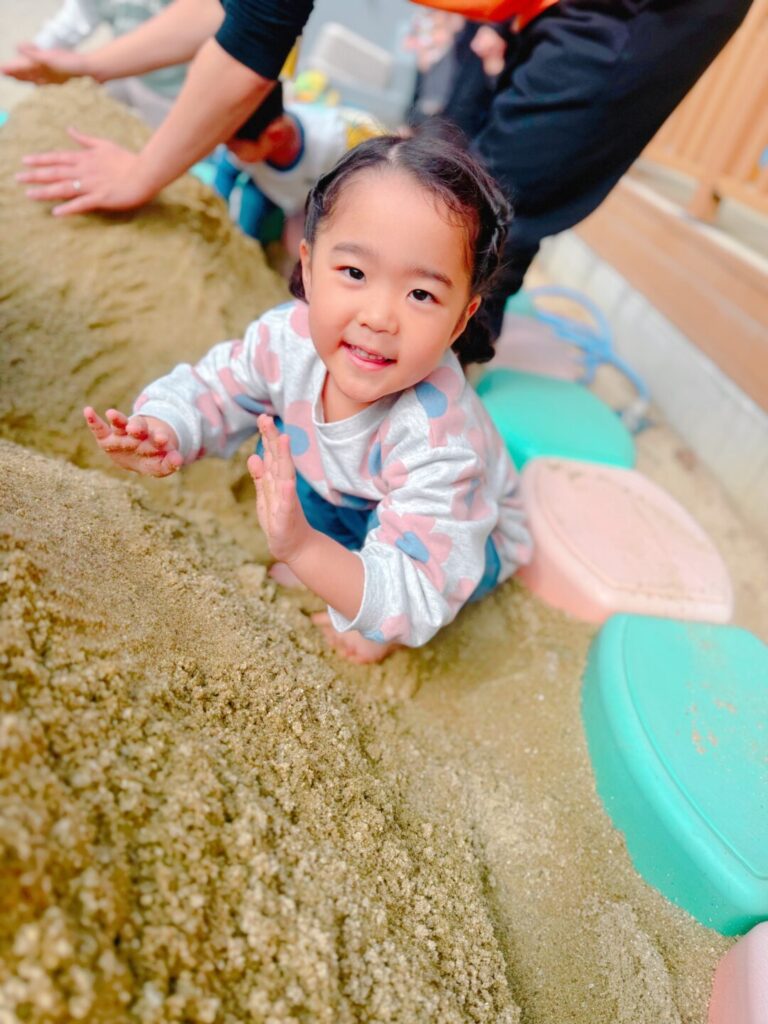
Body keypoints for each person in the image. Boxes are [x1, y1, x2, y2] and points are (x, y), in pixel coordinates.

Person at [13, 0, 752, 338]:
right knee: (446, 183)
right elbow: (240, 15)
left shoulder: (346, 148)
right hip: (518, 19)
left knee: (484, 212)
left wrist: (143, 173)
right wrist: (88, 65)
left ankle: (426, 411)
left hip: (644, 10)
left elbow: (250, 46)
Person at [82, 130, 532, 663]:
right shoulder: (287, 340)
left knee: (393, 596)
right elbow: (217, 387)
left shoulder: (439, 440)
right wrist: (165, 426)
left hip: (463, 536)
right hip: (348, 489)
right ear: (310, 269)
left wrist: (304, 549)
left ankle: (348, 582)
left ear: (460, 320)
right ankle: (338, 557)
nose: (378, 317)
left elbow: (421, 588)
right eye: (355, 272)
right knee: (278, 451)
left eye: (420, 294)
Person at [213, 81, 382, 244]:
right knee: (248, 211)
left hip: (311, 198)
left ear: (276, 135)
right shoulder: (246, 137)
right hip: (267, 189)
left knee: (300, 245)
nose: (228, 151)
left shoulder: (333, 143)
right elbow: (225, 173)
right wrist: (216, 211)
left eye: (233, 148)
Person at [0, 0, 190, 128]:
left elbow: (195, 22)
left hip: (174, 90)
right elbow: (77, 17)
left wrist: (90, 65)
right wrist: (41, 51)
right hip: (122, 69)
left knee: (166, 135)